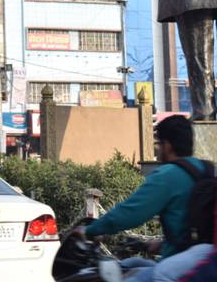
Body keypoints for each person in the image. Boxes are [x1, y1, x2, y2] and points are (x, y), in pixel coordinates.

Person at [77, 116, 208, 281]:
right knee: (132, 263)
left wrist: (89, 230)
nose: (158, 150)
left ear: (167, 146)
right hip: (204, 258)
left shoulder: (167, 176)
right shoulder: (207, 169)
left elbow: (130, 213)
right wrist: (159, 244)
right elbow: (190, 224)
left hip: (183, 267)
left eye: (158, 144)